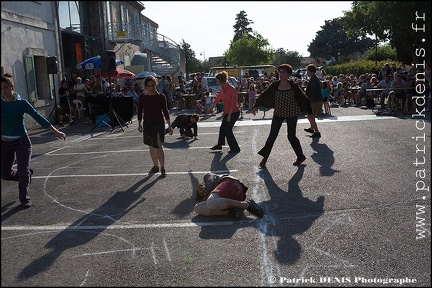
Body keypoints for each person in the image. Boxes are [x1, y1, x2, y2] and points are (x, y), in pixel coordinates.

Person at [1, 73, 66, 208]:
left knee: (23, 170)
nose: (3, 91)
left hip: (21, 142)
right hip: (4, 143)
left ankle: (24, 198)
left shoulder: (22, 103)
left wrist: (56, 131)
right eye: (1, 89)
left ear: (12, 87)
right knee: (5, 174)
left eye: (6, 88)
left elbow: (38, 118)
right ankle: (25, 175)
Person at [251, 64, 312, 168]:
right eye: (280, 72)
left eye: (283, 72)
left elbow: (304, 98)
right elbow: (264, 95)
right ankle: (264, 158)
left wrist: (310, 113)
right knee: (272, 135)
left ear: (288, 74)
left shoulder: (293, 86)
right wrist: (255, 105)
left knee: (291, 136)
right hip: (278, 113)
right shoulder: (275, 85)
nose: (281, 74)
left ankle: (300, 156)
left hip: (292, 113)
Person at [137, 76, 173, 177]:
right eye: (149, 86)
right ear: (145, 86)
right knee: (151, 147)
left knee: (158, 145)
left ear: (156, 85)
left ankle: (162, 167)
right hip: (147, 124)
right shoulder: (142, 97)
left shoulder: (161, 96)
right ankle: (155, 166)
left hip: (159, 123)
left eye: (153, 85)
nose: (151, 87)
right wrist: (139, 124)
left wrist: (169, 125)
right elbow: (140, 111)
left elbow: (165, 111)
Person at [193, 172, 264, 220]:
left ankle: (247, 205)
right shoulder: (213, 199)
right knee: (197, 208)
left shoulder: (208, 177)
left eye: (201, 189)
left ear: (202, 184)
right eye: (202, 194)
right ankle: (229, 213)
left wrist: (206, 197)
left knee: (210, 203)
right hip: (232, 199)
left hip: (231, 184)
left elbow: (209, 186)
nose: (203, 192)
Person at [206, 71, 241, 153]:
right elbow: (217, 100)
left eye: (218, 81)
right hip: (227, 112)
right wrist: (209, 109)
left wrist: (229, 115)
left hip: (234, 112)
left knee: (228, 130)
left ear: (222, 81)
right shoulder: (223, 89)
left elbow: (233, 104)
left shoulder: (231, 89)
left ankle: (235, 148)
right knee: (222, 128)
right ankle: (219, 145)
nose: (217, 82)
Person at [303, 64, 322, 138]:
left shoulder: (314, 80)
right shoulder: (314, 78)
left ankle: (317, 131)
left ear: (312, 72)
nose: (307, 73)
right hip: (316, 100)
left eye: (308, 72)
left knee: (310, 117)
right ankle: (311, 128)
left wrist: (308, 101)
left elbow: (312, 92)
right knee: (311, 116)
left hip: (315, 101)